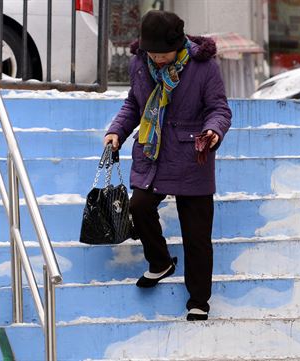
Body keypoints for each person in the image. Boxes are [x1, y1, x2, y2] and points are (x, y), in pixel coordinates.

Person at [103, 10, 231, 321]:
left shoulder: (203, 66)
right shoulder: (139, 63)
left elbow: (218, 108)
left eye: (164, 54)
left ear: (179, 45)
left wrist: (213, 129)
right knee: (139, 207)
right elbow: (135, 103)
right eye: (153, 54)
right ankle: (160, 261)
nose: (158, 60)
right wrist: (116, 130)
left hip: (192, 154)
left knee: (196, 235)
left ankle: (199, 300)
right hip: (153, 152)